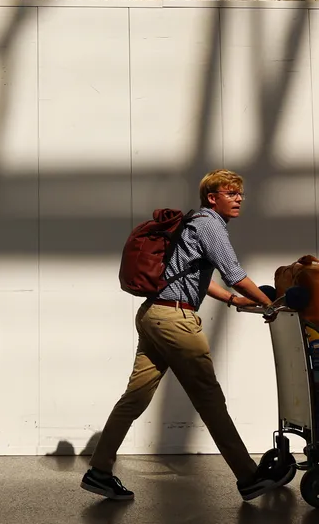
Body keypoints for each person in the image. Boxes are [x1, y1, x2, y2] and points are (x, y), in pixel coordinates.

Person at [81, 169, 295, 502]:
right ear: (213, 198)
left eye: (241, 194)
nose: (239, 199)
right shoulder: (210, 225)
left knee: (134, 398)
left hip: (154, 314)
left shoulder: (193, 223)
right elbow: (234, 274)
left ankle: (99, 471)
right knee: (210, 399)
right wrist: (272, 304)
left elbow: (194, 275)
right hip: (176, 321)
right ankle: (248, 477)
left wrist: (233, 300)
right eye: (231, 193)